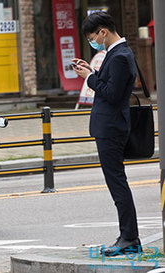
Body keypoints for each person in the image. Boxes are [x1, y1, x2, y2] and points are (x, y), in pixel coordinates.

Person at [72, 12, 141, 256]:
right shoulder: (116, 53)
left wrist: (89, 78)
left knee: (117, 183)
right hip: (109, 127)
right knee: (117, 182)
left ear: (103, 31)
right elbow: (111, 84)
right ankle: (127, 236)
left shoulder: (120, 56)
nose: (94, 42)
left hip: (111, 128)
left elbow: (111, 94)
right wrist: (91, 70)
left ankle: (130, 237)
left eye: (93, 37)